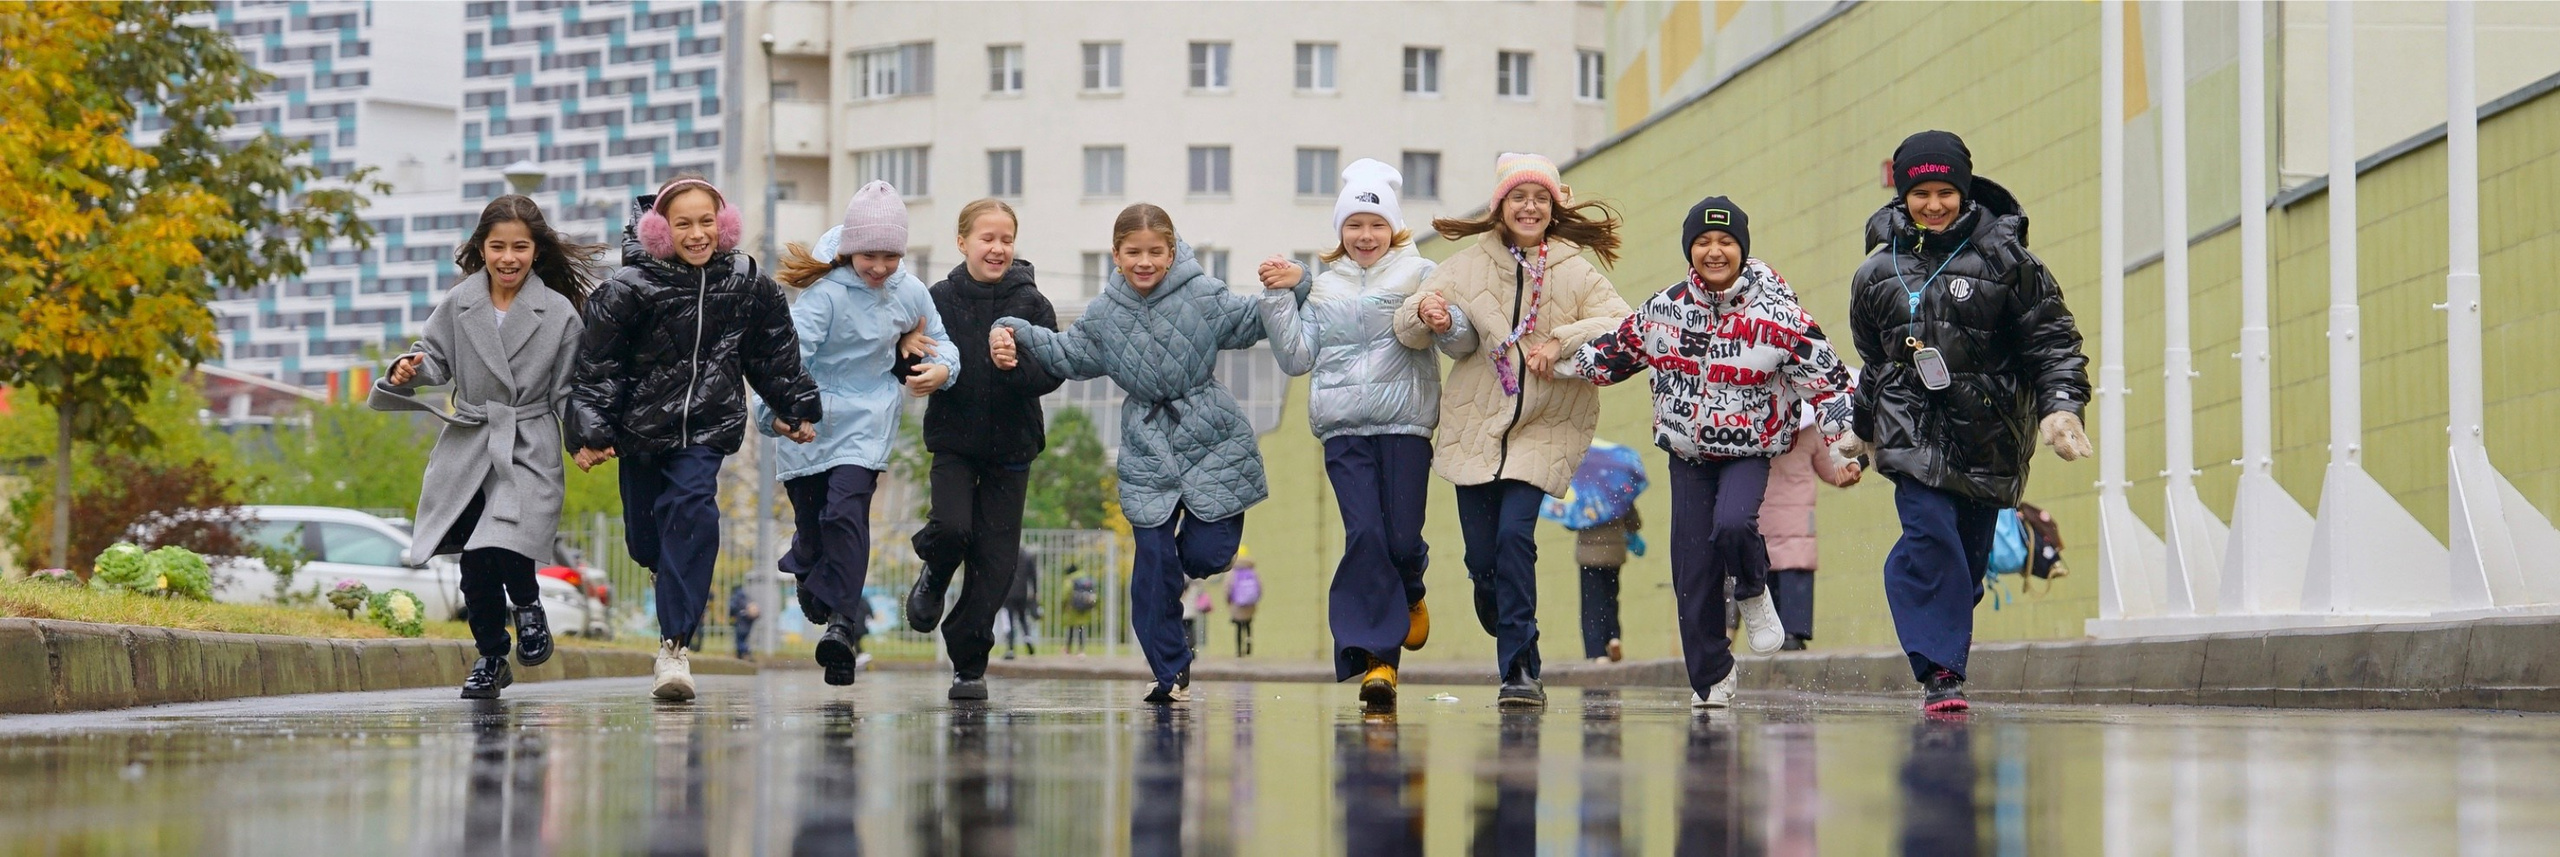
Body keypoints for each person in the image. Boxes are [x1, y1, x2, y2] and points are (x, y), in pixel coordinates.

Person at [1566, 194, 1860, 710]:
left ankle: (1751, 590)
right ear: (1690, 249)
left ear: (1742, 249)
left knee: (1733, 524)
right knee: (1693, 570)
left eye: (1726, 241)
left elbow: (1831, 384)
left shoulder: (1779, 316)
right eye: (1704, 241)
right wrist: (1560, 360)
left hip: (1749, 447)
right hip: (1688, 452)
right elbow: (1617, 352)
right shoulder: (1665, 309)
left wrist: (1844, 446)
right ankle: (1712, 676)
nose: (1715, 251)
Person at [1846, 131, 2092, 712]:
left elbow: (2054, 342)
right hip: (1911, 431)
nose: (1933, 204)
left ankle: (1936, 629)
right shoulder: (1876, 273)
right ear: (1903, 195)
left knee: (1965, 565)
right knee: (1930, 536)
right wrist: (1861, 431)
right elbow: (1875, 363)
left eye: (1945, 192)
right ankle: (1941, 676)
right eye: (1921, 192)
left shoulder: (2010, 261)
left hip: (1989, 436)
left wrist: (2062, 406)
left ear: (1964, 190)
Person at [995, 203, 1276, 705]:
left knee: (1210, 553)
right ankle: (1170, 670)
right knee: (1152, 562)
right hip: (1147, 443)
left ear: (1171, 251)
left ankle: (1180, 577)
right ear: (1116, 255)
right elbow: (1069, 355)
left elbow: (1252, 321)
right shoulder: (1105, 314)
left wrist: (1289, 288)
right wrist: (1018, 328)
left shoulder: (1201, 293)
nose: (1144, 261)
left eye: (1154, 252)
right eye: (1133, 252)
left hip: (1210, 432)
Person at [568, 175, 823, 702]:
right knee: (646, 540)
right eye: (683, 223)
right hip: (638, 434)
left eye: (707, 221)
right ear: (661, 229)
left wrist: (793, 407)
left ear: (723, 223)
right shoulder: (627, 289)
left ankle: (674, 649)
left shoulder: (748, 282)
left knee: (693, 512)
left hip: (707, 429)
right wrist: (590, 431)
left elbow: (773, 354)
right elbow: (597, 368)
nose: (697, 233)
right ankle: (670, 571)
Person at [1395, 153, 1632, 709]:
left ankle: (1521, 669)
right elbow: (1408, 328)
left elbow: (1624, 321)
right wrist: (1425, 311)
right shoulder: (1466, 266)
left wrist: (1561, 340)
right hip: (1475, 427)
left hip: (1545, 430)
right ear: (1500, 206)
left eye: (1541, 199)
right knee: (1483, 560)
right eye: (1519, 197)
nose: (1530, 207)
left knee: (1513, 540)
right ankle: (1492, 597)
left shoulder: (1573, 269)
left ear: (1553, 209)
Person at [374, 195, 598, 700]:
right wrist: (406, 369)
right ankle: (492, 655)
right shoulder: (460, 301)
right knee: (473, 564)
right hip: (472, 440)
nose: (508, 257)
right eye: (497, 246)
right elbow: (432, 356)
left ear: (537, 251)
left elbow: (567, 390)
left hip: (527, 442)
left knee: (502, 539)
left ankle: (528, 605)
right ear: (482, 248)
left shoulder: (559, 313)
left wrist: (582, 441)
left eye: (520, 246)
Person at [1254, 158, 1439, 708]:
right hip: (1343, 431)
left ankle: (1411, 587)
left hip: (1405, 425)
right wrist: (1279, 297)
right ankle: (1378, 661)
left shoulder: (1422, 274)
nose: (1365, 235)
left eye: (1376, 224)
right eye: (1354, 225)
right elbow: (1296, 357)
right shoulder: (1322, 286)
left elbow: (1455, 335)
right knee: (1365, 537)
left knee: (1401, 540)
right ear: (1340, 231)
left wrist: (1443, 317)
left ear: (1394, 229)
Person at [762, 180, 959, 687]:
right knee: (815, 525)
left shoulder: (909, 292)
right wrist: (775, 414)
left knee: (846, 513)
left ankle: (843, 627)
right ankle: (806, 564)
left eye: (891, 255)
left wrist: (943, 371)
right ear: (849, 250)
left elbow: (942, 343)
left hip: (868, 421)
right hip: (811, 423)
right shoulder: (823, 297)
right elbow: (788, 361)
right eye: (870, 255)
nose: (880, 267)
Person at [907, 199, 1066, 700]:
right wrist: (913, 361)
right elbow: (907, 357)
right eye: (986, 238)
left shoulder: (1033, 303)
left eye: (1006, 239)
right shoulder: (937, 299)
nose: (997, 248)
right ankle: (934, 570)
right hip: (954, 441)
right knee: (953, 528)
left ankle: (969, 663)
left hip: (1011, 448)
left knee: (997, 565)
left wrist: (1015, 363)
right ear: (962, 243)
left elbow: (1054, 370)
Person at [1761, 402, 1856, 650]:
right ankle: (1795, 632)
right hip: (1798, 515)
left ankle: (1773, 634)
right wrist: (1855, 468)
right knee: (1797, 570)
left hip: (1762, 513)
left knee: (1767, 571)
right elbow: (1832, 472)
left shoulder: (1759, 430)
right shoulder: (1809, 432)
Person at [1576, 506, 1641, 663]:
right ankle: (1613, 637)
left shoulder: (1583, 491)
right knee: (1610, 597)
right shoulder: (1617, 487)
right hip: (1613, 552)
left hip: (1588, 555)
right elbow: (1634, 523)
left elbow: (1570, 523)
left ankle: (1597, 651)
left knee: (1591, 603)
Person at [1001, 548, 1040, 660]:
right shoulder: (1027, 556)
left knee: (1010, 621)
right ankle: (1028, 638)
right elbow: (1033, 576)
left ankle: (1011, 648)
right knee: (1023, 619)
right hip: (1022, 593)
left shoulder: (1007, 555)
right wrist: (1035, 591)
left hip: (1008, 594)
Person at [1224, 549, 1260, 657]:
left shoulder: (1233, 572)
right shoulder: (1252, 571)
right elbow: (1259, 588)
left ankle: (1239, 650)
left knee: (1239, 627)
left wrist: (1228, 601)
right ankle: (1249, 647)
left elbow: (1227, 588)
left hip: (1237, 605)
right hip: (1250, 604)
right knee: (1248, 625)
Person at [1060, 564, 1098, 655]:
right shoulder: (1086, 578)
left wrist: (1064, 604)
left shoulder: (1070, 580)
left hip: (1072, 608)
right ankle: (1081, 650)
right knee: (1081, 628)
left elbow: (1065, 594)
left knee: (1071, 629)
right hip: (1085, 608)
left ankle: (1068, 649)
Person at [727, 583, 759, 661]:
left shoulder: (736, 598)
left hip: (740, 622)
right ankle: (741, 654)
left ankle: (746, 651)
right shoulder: (746, 597)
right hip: (748, 623)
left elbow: (732, 608)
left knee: (739, 640)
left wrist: (731, 616)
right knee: (743, 639)